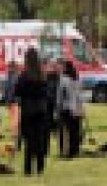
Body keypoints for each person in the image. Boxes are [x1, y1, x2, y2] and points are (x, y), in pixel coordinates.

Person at [14, 48, 49, 176]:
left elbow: (17, 91)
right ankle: (40, 166)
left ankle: (28, 167)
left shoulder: (24, 75)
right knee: (40, 139)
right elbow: (46, 93)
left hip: (28, 110)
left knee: (29, 140)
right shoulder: (42, 75)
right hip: (41, 110)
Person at [57, 61, 85, 159]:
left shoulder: (63, 79)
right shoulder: (77, 79)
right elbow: (80, 95)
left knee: (66, 131)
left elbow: (60, 95)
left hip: (66, 108)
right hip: (77, 108)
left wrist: (58, 107)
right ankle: (75, 150)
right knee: (76, 131)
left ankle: (66, 151)